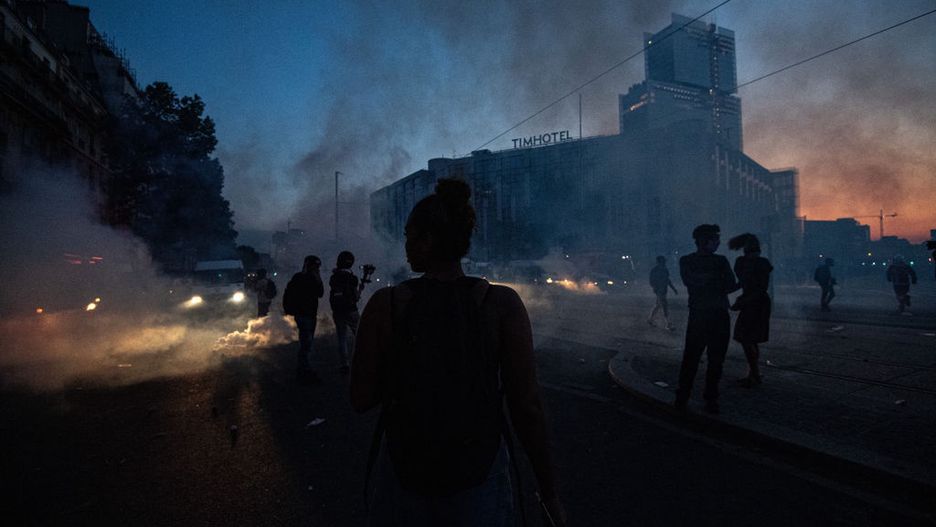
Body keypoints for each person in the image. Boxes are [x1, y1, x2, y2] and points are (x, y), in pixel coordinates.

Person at [351, 178, 565, 526]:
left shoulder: (385, 305)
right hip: (478, 474)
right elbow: (526, 406)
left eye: (409, 235)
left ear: (428, 240)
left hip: (406, 472)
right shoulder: (500, 304)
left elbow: (360, 399)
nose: (404, 244)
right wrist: (549, 492)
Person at [675, 224, 740, 414]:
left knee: (691, 358)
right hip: (718, 314)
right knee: (715, 360)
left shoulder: (686, 261)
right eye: (715, 240)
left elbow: (692, 282)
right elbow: (729, 286)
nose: (718, 243)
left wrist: (706, 280)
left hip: (698, 314)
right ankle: (711, 398)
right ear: (707, 241)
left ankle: (682, 396)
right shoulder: (720, 262)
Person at [728, 234, 773, 388]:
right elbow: (755, 286)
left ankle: (754, 374)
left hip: (753, 303)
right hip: (760, 302)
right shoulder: (762, 263)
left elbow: (748, 284)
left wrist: (741, 301)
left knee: (746, 338)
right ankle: (753, 374)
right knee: (751, 339)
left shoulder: (744, 263)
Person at [283, 255, 325, 384]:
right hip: (304, 315)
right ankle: (304, 371)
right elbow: (320, 293)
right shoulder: (301, 278)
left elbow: (320, 293)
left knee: (307, 342)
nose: (316, 269)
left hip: (308, 314)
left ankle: (303, 369)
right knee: (307, 343)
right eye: (315, 266)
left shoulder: (302, 277)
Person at [330, 250, 365, 374]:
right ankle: (363, 361)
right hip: (351, 310)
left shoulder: (334, 277)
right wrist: (360, 289)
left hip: (338, 310)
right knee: (360, 335)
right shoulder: (352, 278)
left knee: (342, 337)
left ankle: (344, 364)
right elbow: (355, 297)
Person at [647, 255, 678, 330]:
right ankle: (668, 324)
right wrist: (656, 288)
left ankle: (650, 319)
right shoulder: (655, 270)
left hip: (663, 290)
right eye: (663, 261)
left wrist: (673, 289)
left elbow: (667, 280)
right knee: (664, 306)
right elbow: (652, 281)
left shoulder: (664, 270)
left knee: (658, 305)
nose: (664, 262)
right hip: (660, 291)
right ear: (659, 262)